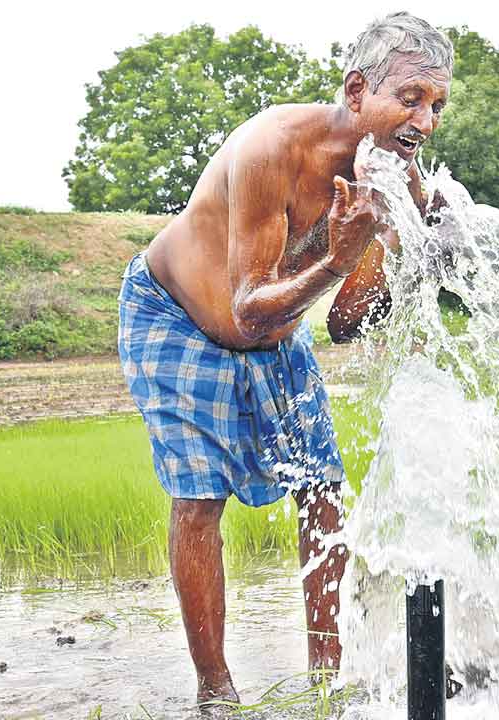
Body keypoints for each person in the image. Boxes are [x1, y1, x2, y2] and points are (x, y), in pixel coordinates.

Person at [117, 12, 453, 707]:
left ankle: (325, 683)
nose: (427, 120)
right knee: (199, 496)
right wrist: (337, 255)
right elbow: (244, 305)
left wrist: (416, 249)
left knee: (323, 488)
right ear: (358, 91)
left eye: (438, 104)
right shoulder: (273, 147)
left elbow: (344, 320)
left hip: (277, 332)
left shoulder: (392, 182)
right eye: (412, 98)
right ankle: (216, 691)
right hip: (177, 317)